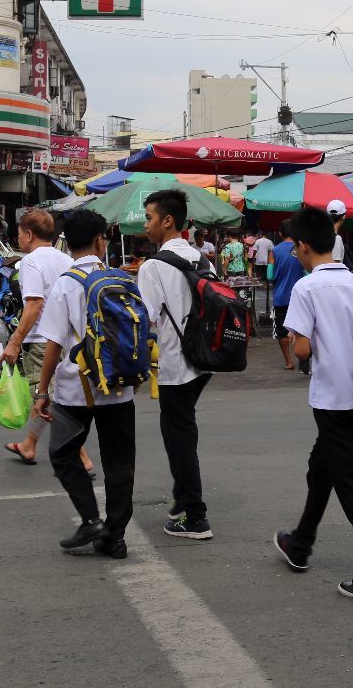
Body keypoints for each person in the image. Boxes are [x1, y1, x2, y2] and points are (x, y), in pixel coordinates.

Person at [273, 206, 353, 604]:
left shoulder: (306, 288)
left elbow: (302, 348)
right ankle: (301, 541)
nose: (295, 253)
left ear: (304, 246)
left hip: (330, 397)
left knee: (349, 482)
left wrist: (298, 340)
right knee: (322, 466)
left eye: (295, 248)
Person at [32, 210, 135, 559]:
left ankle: (91, 518)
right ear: (100, 241)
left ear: (67, 242)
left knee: (62, 454)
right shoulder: (120, 278)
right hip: (120, 386)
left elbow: (53, 344)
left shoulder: (65, 283)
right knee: (120, 462)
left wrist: (41, 391)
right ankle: (115, 536)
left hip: (77, 389)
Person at [138, 189, 214, 540]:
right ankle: (183, 502)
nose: (146, 225)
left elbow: (147, 319)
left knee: (179, 438)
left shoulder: (153, 266)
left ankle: (195, 517)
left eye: (150, 218)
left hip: (174, 362)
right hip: (204, 360)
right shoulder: (203, 260)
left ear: (168, 221)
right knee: (184, 431)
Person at [2, 209, 93, 472]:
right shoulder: (65, 259)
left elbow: (33, 304)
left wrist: (15, 341)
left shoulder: (30, 262)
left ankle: (82, 456)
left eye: (18, 233)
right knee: (47, 395)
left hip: (42, 339)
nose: (17, 238)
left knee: (47, 398)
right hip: (66, 340)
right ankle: (29, 444)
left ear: (28, 234)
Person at [270, 221, 305, 370]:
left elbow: (270, 275)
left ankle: (288, 361)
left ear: (280, 233)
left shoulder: (275, 250)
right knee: (301, 328)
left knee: (282, 330)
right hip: (300, 296)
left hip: (280, 296)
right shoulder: (302, 248)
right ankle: (303, 358)